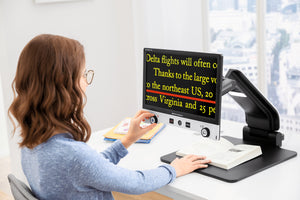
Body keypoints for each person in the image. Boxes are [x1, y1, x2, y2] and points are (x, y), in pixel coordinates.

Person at [8, 34, 211, 200]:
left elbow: (91, 170)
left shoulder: (32, 144)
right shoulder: (73, 156)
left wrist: (127, 140)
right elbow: (136, 182)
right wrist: (174, 169)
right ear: (63, 86)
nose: (87, 82)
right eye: (83, 75)